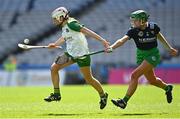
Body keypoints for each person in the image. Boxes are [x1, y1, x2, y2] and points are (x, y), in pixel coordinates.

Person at [109, 10, 178, 109]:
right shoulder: (133, 31)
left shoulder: (153, 27)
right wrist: (112, 47)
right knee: (152, 81)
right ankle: (167, 87)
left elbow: (159, 36)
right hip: (141, 55)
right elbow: (122, 40)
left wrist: (169, 48)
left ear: (142, 20)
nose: (133, 23)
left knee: (134, 75)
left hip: (153, 55)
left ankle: (124, 101)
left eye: (135, 21)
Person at [44, 7, 110, 109]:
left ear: (62, 17)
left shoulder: (71, 23)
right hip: (70, 54)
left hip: (82, 55)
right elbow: (64, 37)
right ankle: (56, 94)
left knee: (89, 79)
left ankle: (103, 95)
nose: (54, 21)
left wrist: (103, 41)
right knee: (54, 68)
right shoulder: (65, 26)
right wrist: (55, 44)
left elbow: (87, 31)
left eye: (56, 18)